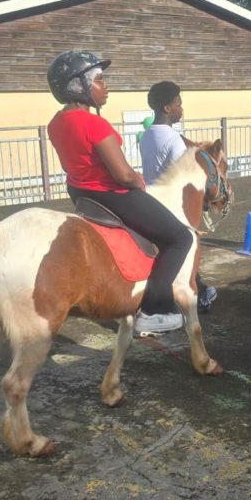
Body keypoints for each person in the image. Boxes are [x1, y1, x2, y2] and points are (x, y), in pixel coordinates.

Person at [46, 50, 192, 335]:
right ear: (79, 86)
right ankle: (154, 310)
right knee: (180, 238)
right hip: (112, 193)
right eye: (100, 80)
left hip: (82, 194)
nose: (106, 86)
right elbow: (123, 174)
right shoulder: (94, 123)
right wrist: (139, 181)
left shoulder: (56, 123)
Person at [139, 80, 218, 313]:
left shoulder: (147, 135)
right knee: (187, 248)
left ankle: (200, 289)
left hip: (150, 201)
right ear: (167, 108)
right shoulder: (174, 141)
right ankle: (196, 295)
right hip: (172, 205)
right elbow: (183, 181)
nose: (181, 109)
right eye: (178, 104)